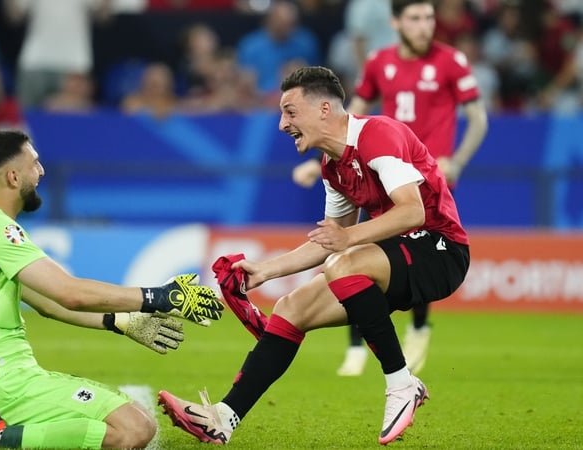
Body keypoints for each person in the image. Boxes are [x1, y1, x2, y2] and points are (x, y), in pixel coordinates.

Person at [157, 65, 470, 446]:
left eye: (290, 112)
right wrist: (265, 270)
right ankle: (224, 416)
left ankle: (401, 383)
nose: (282, 124)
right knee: (292, 307)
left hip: (440, 251)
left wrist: (347, 237)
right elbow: (328, 241)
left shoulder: (377, 134)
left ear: (324, 109)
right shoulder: (332, 167)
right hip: (392, 258)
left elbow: (412, 212)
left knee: (343, 264)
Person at [0, 129, 224, 449]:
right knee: (134, 429)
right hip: (3, 381)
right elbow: (70, 293)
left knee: (139, 418)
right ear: (13, 177)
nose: (41, 172)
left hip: (5, 379)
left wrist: (121, 321)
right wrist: (159, 297)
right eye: (34, 164)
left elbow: (49, 304)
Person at [291, 0, 487, 376]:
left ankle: (418, 327)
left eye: (429, 18)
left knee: (421, 248)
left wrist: (457, 160)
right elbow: (348, 118)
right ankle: (356, 347)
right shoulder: (379, 62)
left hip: (426, 176)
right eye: (415, 18)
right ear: (396, 22)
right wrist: (318, 163)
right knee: (355, 252)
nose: (424, 25)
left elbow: (478, 118)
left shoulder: (451, 61)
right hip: (380, 171)